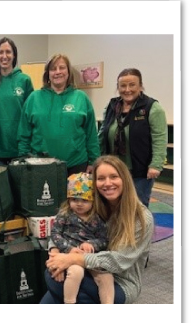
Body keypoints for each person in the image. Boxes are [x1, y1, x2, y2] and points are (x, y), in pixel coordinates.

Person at [41, 155, 154, 304]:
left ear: (125, 179)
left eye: (114, 176)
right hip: (85, 266)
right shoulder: (93, 205)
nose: (107, 183)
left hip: (120, 280)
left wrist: (72, 258)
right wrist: (55, 251)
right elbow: (60, 229)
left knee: (56, 284)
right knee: (54, 276)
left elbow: (119, 261)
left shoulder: (141, 217)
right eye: (101, 178)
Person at [17, 53, 100, 176]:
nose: (57, 72)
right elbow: (24, 134)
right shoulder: (33, 98)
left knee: (72, 197)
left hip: (76, 164)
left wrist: (93, 161)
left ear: (68, 72)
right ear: (47, 74)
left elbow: (91, 134)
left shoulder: (81, 98)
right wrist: (22, 159)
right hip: (40, 165)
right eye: (53, 69)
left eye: (62, 67)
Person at [98, 68, 167, 207]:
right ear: (118, 87)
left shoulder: (152, 107)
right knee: (112, 205)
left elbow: (159, 138)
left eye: (132, 85)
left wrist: (156, 165)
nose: (127, 89)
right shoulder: (111, 106)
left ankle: (139, 229)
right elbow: (102, 134)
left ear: (140, 86)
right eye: (123, 86)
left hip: (140, 169)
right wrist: (96, 159)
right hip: (113, 168)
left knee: (137, 206)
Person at [51, 172, 114, 304]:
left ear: (92, 200)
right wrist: (69, 249)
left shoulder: (97, 218)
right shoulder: (65, 214)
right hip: (69, 256)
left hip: (90, 257)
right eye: (74, 200)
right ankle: (69, 303)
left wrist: (92, 244)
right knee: (76, 272)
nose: (79, 204)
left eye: (84, 200)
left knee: (106, 276)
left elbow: (104, 239)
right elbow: (55, 233)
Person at [0, 37, 34, 164]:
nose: (4, 56)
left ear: (14, 55)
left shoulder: (24, 80)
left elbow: (31, 116)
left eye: (8, 52)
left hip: (20, 150)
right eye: (0, 52)